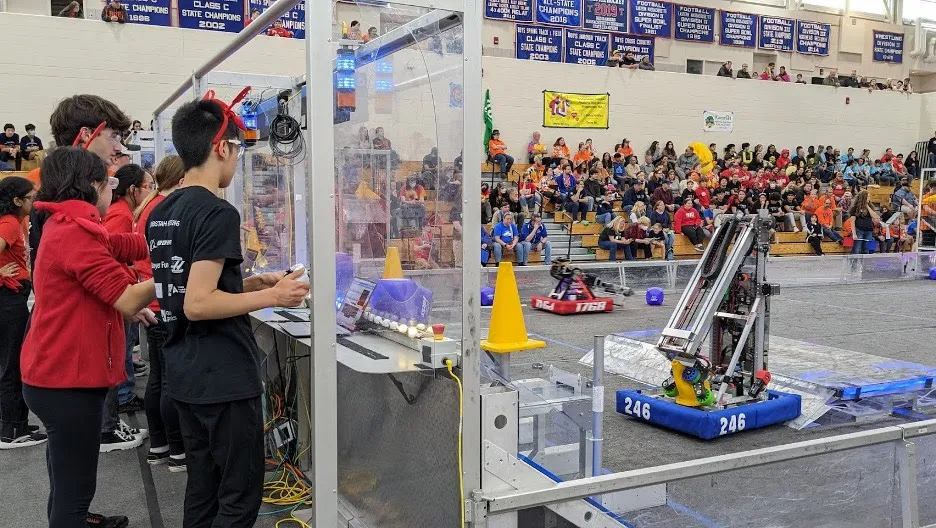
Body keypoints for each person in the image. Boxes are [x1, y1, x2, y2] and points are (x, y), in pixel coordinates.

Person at [147, 94, 310, 528]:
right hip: (222, 378)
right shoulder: (217, 212)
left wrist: (252, 283)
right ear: (222, 148)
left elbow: (187, 282)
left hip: (184, 374)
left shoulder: (161, 213)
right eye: (237, 149)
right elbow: (197, 303)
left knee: (203, 488)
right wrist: (274, 298)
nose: (236, 159)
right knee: (238, 496)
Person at [22, 147, 158, 528]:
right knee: (75, 488)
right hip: (66, 381)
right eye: (109, 181)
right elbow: (128, 295)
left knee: (65, 477)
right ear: (94, 184)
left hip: (55, 373)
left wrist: (166, 238)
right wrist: (173, 274)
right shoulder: (75, 233)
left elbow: (120, 246)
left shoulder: (67, 225)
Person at [134, 156, 187, 471]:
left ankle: (160, 444)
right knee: (170, 381)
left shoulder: (148, 209)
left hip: (153, 302)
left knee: (158, 379)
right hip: (164, 304)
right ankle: (178, 451)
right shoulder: (164, 211)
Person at [105, 163, 154, 416]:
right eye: (148, 187)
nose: (150, 192)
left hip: (126, 288)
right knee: (121, 349)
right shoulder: (121, 214)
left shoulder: (126, 212)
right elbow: (110, 255)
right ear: (133, 189)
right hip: (122, 293)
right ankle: (123, 397)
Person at [0, 176, 43, 449]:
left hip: (14, 295)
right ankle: (11, 429)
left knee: (11, 362)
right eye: (30, 198)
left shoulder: (16, 222)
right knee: (11, 364)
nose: (34, 202)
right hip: (9, 298)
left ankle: (15, 423)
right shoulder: (10, 223)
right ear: (17, 201)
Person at [849, 190, 877, 255]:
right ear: (863, 198)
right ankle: (854, 264)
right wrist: (854, 233)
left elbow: (875, 217)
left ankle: (863, 264)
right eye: (868, 197)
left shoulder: (871, 207)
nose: (869, 198)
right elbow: (852, 221)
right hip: (859, 230)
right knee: (857, 249)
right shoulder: (855, 208)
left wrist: (867, 206)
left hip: (868, 230)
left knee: (866, 250)